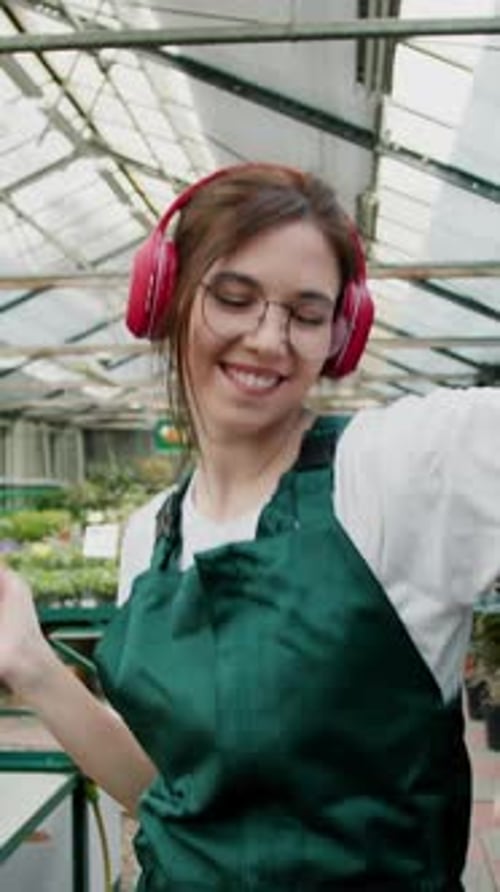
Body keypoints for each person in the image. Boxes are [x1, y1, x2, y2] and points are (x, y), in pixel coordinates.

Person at [0, 162, 499, 891]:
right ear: (163, 298)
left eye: (306, 314)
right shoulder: (151, 539)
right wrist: (31, 667)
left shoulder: (399, 470)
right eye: (234, 298)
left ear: (341, 333)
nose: (269, 339)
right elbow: (174, 792)